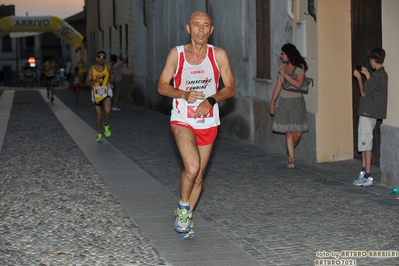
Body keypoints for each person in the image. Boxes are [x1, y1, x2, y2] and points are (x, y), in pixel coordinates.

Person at [158, 11, 236, 240]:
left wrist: (211, 100)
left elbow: (230, 88)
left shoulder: (218, 55)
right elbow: (162, 86)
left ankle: (187, 216)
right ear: (188, 28)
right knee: (191, 167)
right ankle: (183, 208)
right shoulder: (177, 54)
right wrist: (183, 93)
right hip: (182, 119)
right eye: (196, 25)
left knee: (199, 176)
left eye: (206, 26)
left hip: (208, 121)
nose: (201, 29)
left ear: (211, 30)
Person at [269, 43, 309, 169]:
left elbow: (298, 84)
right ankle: (292, 159)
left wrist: (285, 75)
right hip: (284, 103)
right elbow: (277, 87)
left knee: (298, 134)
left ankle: (289, 149)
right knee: (288, 132)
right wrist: (272, 103)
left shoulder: (299, 67)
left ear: (289, 54)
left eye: (283, 54)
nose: (281, 56)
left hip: (297, 103)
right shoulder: (282, 68)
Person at [352, 47, 388, 187]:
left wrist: (359, 78)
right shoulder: (381, 74)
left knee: (366, 143)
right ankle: (363, 173)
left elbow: (364, 92)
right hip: (371, 112)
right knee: (364, 141)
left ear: (373, 60)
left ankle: (367, 175)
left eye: (370, 61)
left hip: (368, 112)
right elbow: (373, 89)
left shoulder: (378, 75)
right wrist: (367, 76)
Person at [85, 51, 115, 142]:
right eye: (100, 57)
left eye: (103, 57)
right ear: (96, 58)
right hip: (96, 94)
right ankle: (99, 133)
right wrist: (94, 81)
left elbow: (112, 74)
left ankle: (106, 124)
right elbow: (86, 83)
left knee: (108, 110)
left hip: (106, 92)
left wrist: (111, 82)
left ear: (105, 59)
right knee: (99, 116)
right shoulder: (92, 69)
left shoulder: (108, 67)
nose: (101, 58)